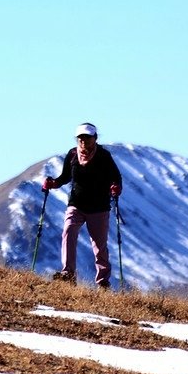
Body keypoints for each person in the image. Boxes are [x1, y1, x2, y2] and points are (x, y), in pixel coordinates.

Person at [42, 122, 122, 288]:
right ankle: (68, 274)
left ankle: (103, 283)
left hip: (99, 208)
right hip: (76, 205)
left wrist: (115, 187)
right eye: (80, 138)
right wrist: (53, 183)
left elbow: (116, 178)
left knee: (99, 247)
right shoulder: (72, 155)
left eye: (87, 137)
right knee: (68, 232)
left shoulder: (104, 156)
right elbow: (65, 177)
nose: (83, 141)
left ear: (95, 138)